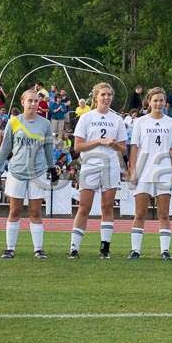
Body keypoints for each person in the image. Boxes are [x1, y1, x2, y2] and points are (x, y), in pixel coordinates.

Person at [0, 89, 55, 259]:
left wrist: (52, 168)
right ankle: (10, 248)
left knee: (35, 212)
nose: (33, 103)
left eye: (36, 101)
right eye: (30, 100)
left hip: (37, 172)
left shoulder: (45, 124)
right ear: (23, 102)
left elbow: (48, 148)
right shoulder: (14, 122)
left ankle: (38, 249)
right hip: (17, 171)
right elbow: (6, 147)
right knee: (15, 210)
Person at [68, 83, 127, 259]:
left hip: (111, 166)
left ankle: (105, 248)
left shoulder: (117, 119)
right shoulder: (86, 118)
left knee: (107, 206)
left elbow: (123, 149)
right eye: (103, 95)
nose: (106, 97)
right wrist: (99, 141)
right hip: (90, 166)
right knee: (84, 207)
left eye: (109, 95)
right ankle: (74, 248)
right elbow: (77, 147)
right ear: (96, 97)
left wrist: (113, 144)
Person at [127, 87, 172, 260]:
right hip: (144, 172)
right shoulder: (140, 122)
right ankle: (135, 250)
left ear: (166, 103)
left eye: (161, 100)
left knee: (164, 214)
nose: (158, 103)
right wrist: (133, 171)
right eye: (155, 100)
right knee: (140, 213)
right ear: (149, 102)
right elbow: (134, 149)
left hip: (164, 172)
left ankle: (165, 251)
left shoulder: (171, 123)